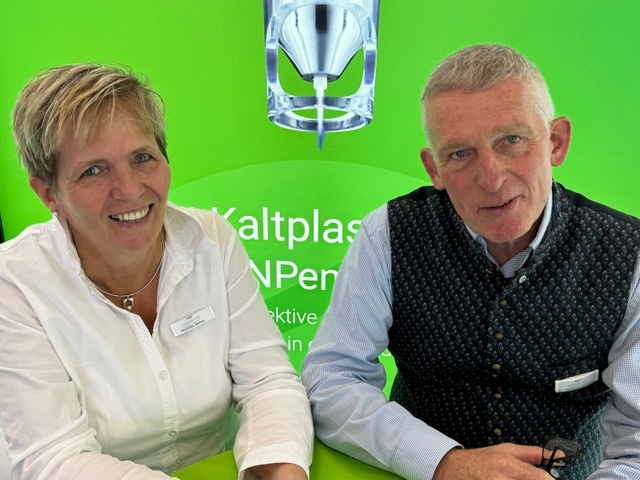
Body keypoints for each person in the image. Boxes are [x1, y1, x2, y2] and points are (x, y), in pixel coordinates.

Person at [301, 44, 640, 480]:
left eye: (512, 140)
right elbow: (332, 378)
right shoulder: (387, 234)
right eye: (460, 153)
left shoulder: (627, 254)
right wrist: (443, 461)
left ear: (556, 142)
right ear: (434, 168)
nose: (491, 179)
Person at [0, 64, 313, 480]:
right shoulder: (14, 283)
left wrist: (282, 470)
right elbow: (55, 459)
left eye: (142, 157)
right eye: (93, 170)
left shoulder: (212, 239)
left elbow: (267, 382)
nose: (129, 189)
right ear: (47, 193)